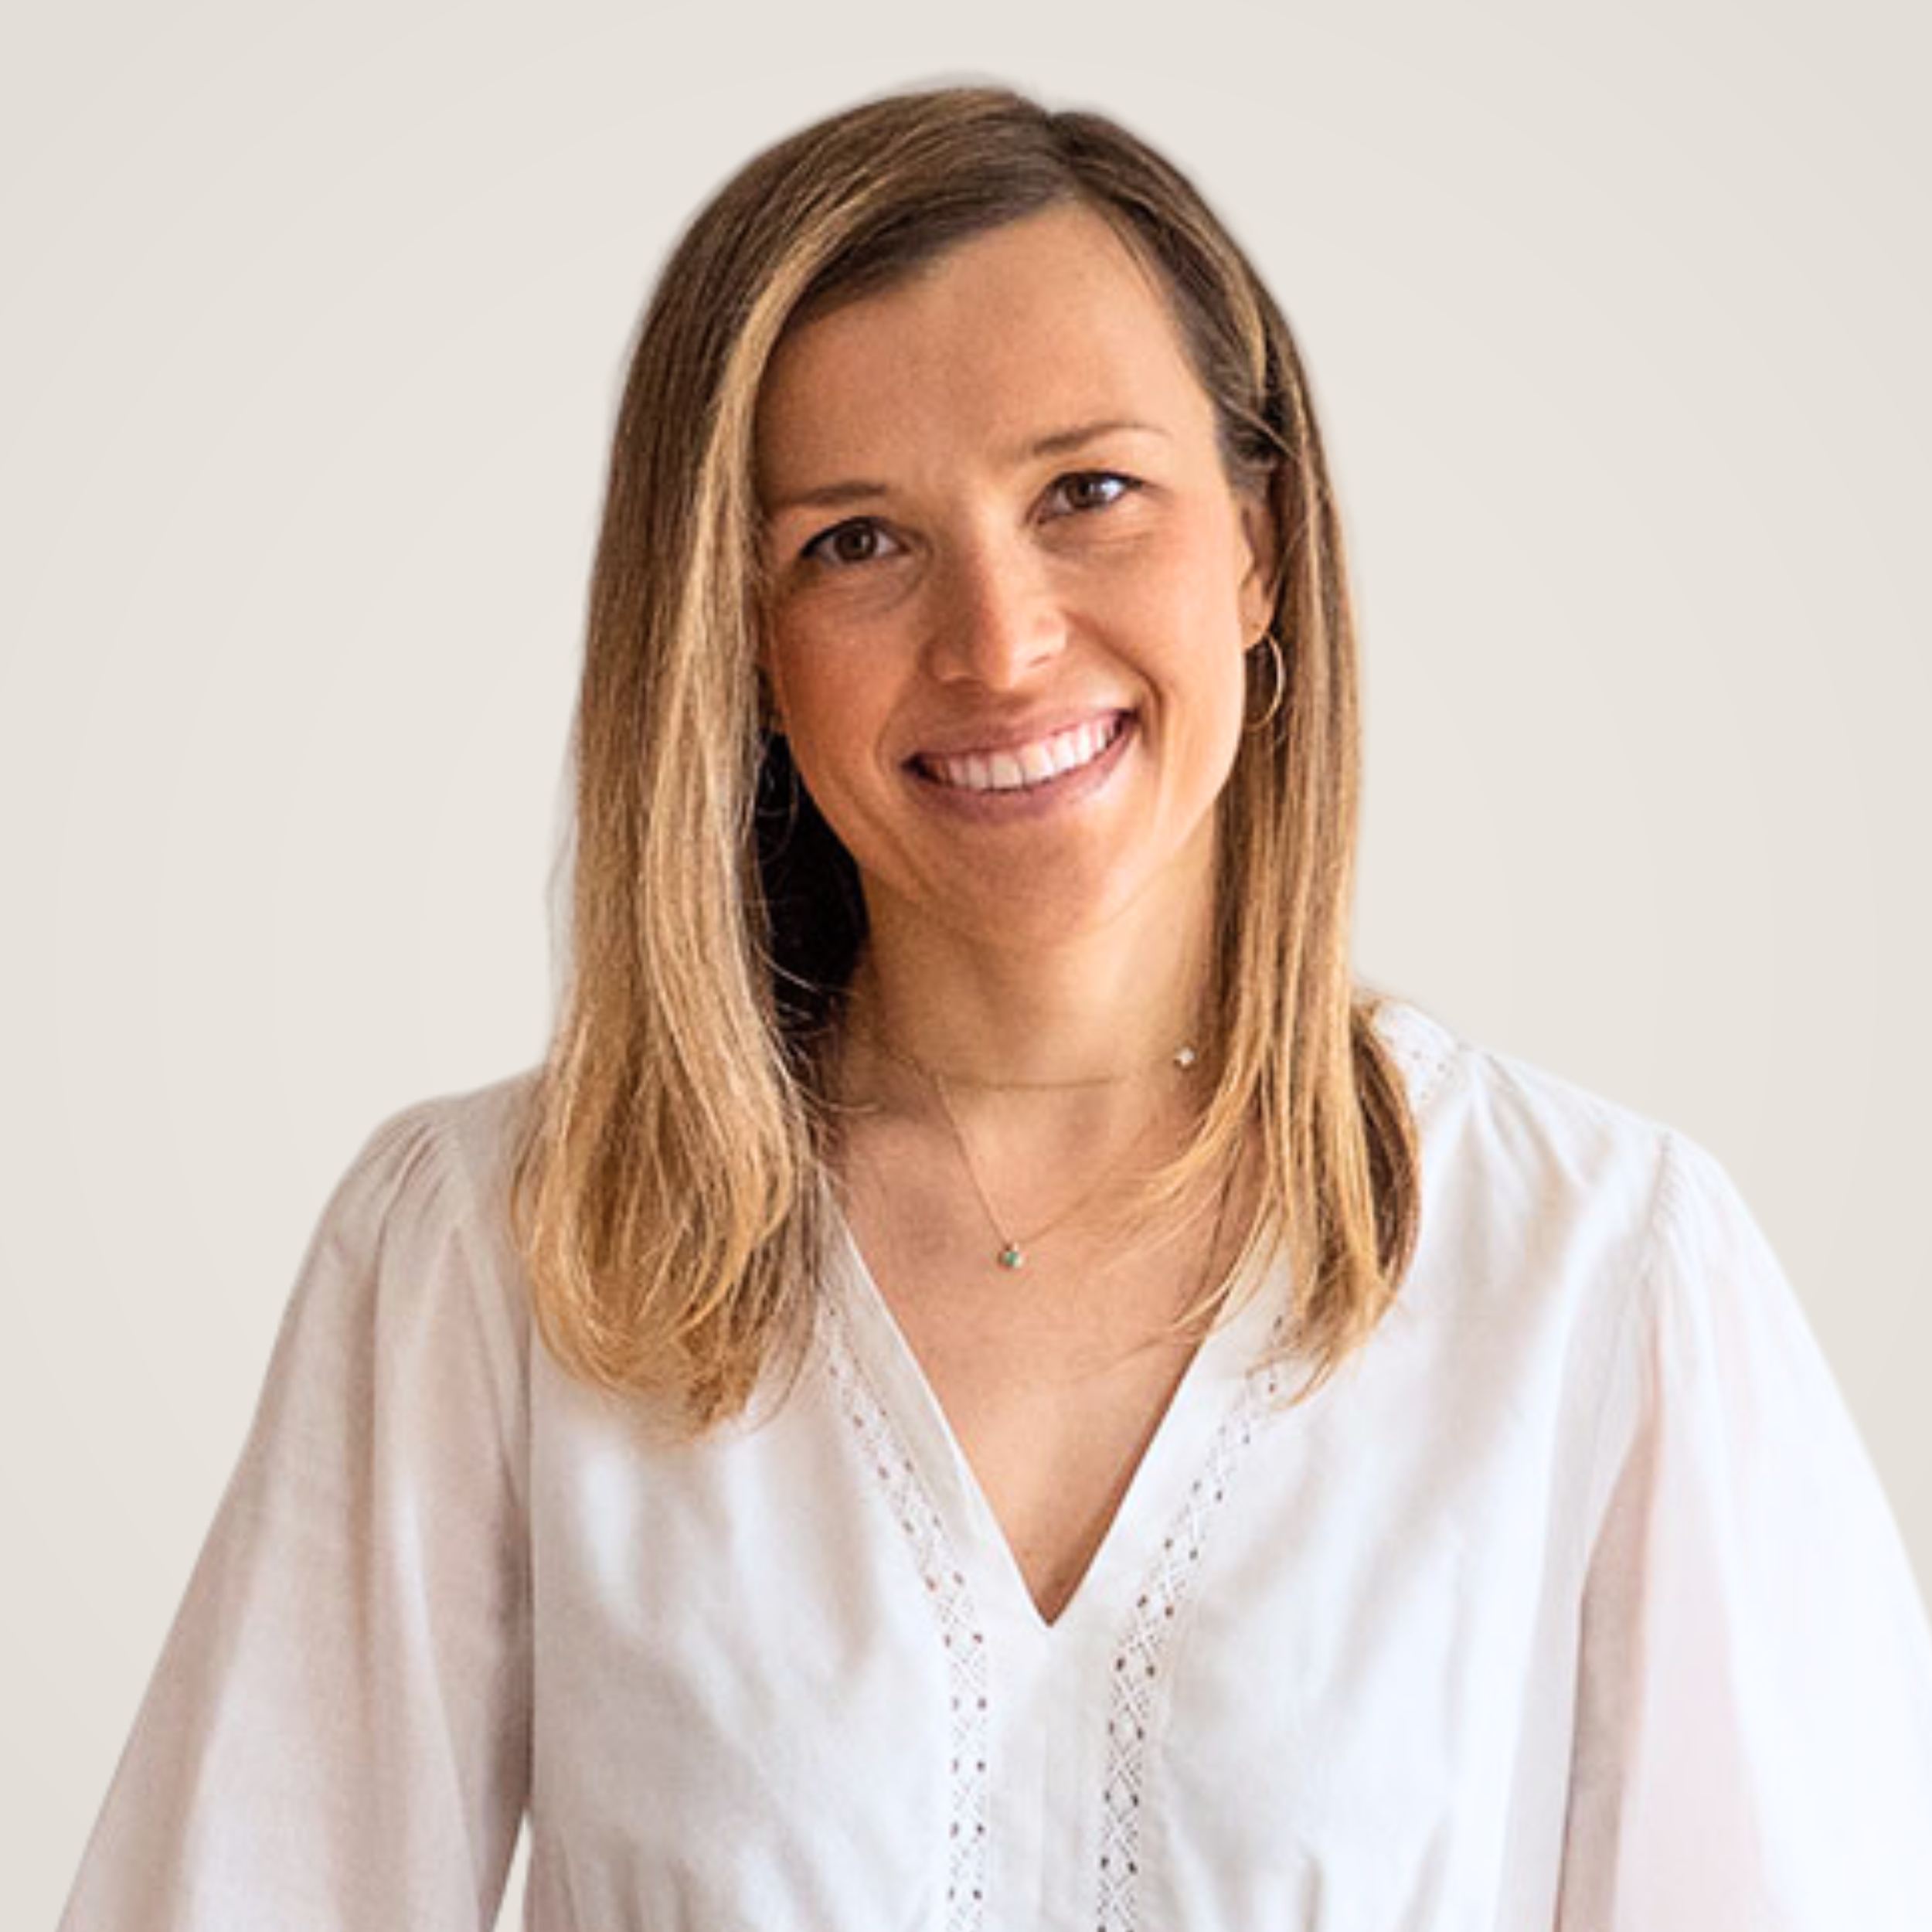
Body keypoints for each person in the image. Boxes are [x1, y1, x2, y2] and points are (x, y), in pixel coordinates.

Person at [60, 84, 1932, 1931]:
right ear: (735, 629)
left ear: (1257, 543)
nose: (1000, 640)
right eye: (855, 541)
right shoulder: (487, 1257)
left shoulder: (1603, 1269)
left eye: (1088, 491)